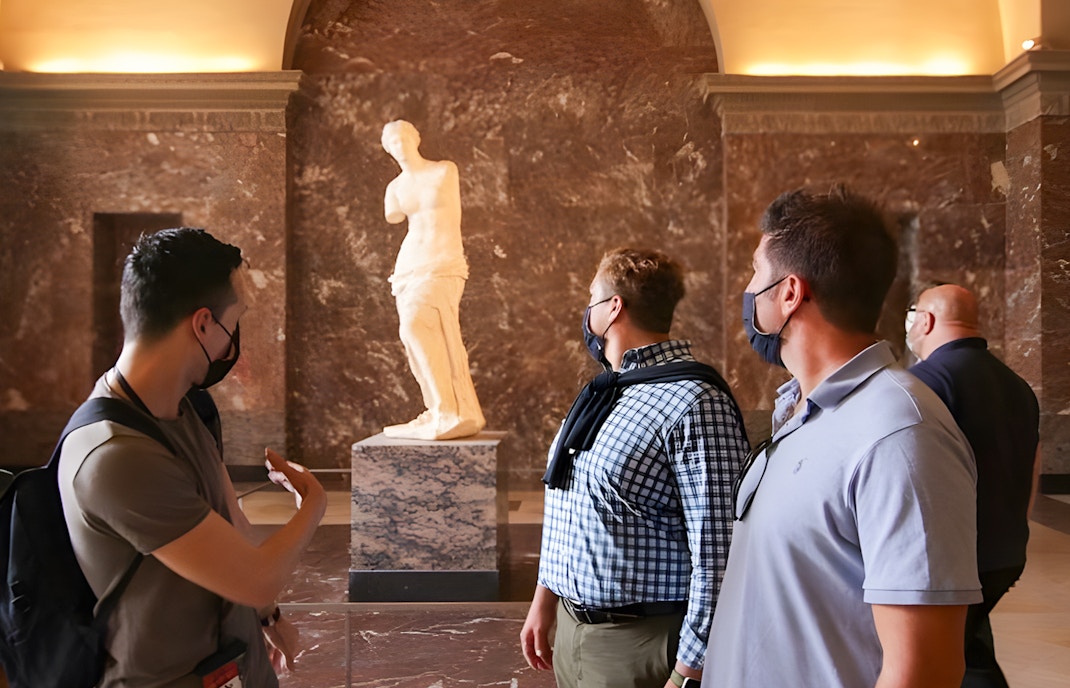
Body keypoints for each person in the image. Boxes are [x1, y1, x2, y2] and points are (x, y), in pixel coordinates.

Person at [704, 187, 982, 688]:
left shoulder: (899, 431)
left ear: (789, 292)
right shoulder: (800, 410)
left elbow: (925, 669)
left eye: (755, 272)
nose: (747, 290)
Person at [57, 228, 327, 687]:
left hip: (236, 665)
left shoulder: (185, 408)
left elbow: (232, 529)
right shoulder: (115, 455)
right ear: (202, 324)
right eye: (235, 320)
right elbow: (256, 577)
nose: (234, 344)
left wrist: (268, 619)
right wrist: (313, 504)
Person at [520, 247, 748, 688]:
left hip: (640, 642)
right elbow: (568, 503)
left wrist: (689, 670)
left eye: (591, 299)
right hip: (572, 630)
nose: (586, 313)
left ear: (613, 308)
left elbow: (719, 550)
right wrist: (543, 602)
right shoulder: (603, 393)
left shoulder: (695, 402)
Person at [907, 283, 1041, 688]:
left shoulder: (924, 382)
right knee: (971, 649)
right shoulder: (1017, 385)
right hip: (1005, 555)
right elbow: (1032, 469)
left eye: (911, 317)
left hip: (952, 560)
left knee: (936, 659)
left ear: (926, 320)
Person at [380, 119, 485, 441]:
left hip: (442, 260)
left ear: (415, 139)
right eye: (392, 142)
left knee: (420, 327)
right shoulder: (395, 189)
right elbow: (394, 215)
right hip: (411, 263)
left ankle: (450, 410)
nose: (399, 146)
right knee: (413, 335)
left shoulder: (444, 171)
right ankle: (440, 409)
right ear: (387, 149)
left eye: (403, 138)